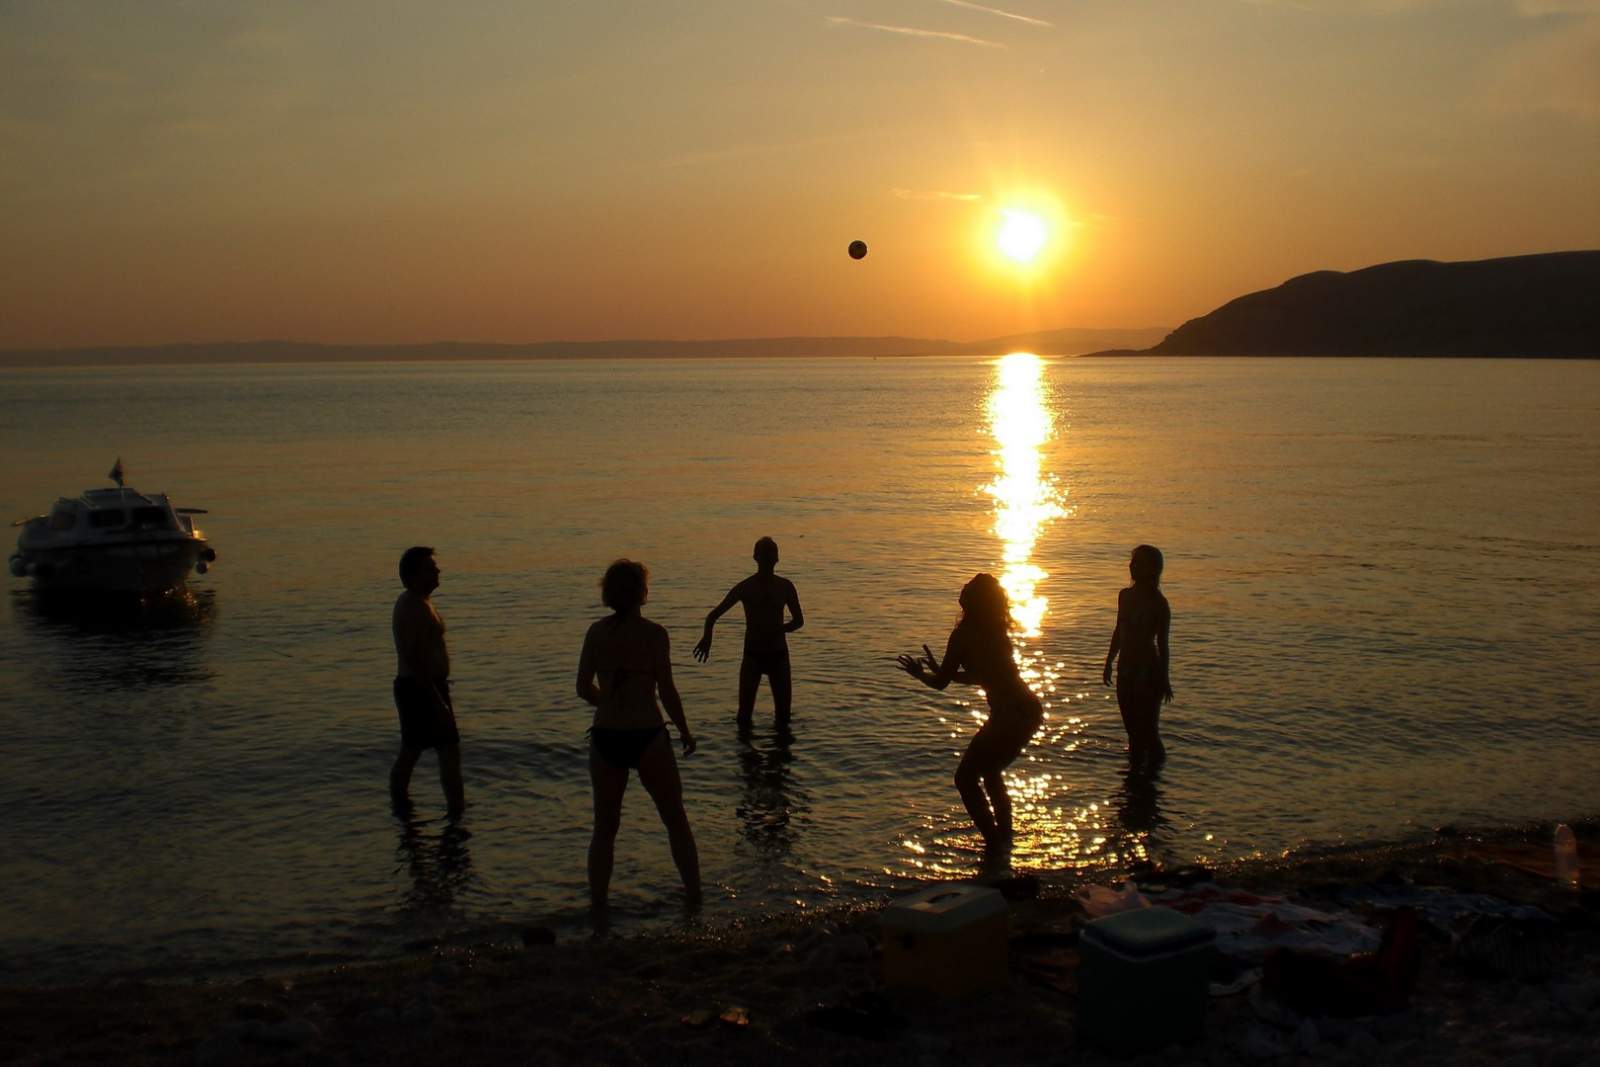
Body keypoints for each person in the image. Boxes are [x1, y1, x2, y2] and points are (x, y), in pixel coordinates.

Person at [576, 559, 701, 911]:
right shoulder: (655, 635)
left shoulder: (596, 633)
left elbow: (583, 688)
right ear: (642, 592)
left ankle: (598, 906)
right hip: (647, 735)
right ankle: (694, 897)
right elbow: (667, 691)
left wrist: (607, 701)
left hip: (606, 736)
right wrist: (685, 730)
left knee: (605, 829)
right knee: (675, 820)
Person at [897, 573, 1043, 855]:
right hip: (1027, 710)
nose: (963, 589)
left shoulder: (963, 635)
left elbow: (941, 683)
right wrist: (944, 671)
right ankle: (1004, 840)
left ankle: (995, 843)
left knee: (965, 778)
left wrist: (921, 674)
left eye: (969, 588)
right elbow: (983, 675)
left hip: (1007, 715)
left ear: (972, 600)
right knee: (990, 772)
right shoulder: (996, 631)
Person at [692, 537, 805, 730]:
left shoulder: (785, 586)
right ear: (756, 557)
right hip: (753, 655)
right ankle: (745, 745)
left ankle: (780, 746)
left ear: (777, 559)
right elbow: (713, 615)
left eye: (771, 554)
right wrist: (707, 637)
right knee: (744, 717)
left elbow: (799, 620)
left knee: (784, 717)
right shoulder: (746, 587)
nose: (768, 559)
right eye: (764, 554)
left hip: (778, 655)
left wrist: (780, 629)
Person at [390, 546, 465, 818]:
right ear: (413, 575)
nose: (437, 571)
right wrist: (436, 700)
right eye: (430, 568)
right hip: (419, 688)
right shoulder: (411, 607)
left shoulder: (422, 603)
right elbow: (414, 659)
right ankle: (451, 812)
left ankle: (449, 811)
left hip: (426, 687)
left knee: (438, 750)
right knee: (421, 750)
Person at [1102, 544, 1173, 763]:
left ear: (1150, 569)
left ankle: (1156, 774)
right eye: (1132, 562)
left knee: (1149, 733)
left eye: (1137, 563)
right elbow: (1118, 630)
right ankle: (1135, 775)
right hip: (1125, 670)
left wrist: (1165, 679)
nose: (1131, 566)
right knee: (1132, 731)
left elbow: (1163, 645)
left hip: (1147, 672)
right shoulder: (1124, 596)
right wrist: (1109, 661)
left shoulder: (1159, 604)